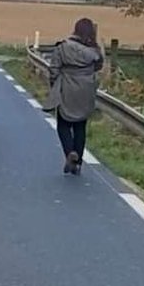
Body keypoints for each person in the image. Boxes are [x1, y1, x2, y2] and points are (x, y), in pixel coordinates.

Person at [44, 17, 104, 175]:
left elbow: (54, 68)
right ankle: (77, 163)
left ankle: (69, 151)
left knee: (63, 124)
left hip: (67, 87)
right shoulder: (93, 51)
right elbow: (99, 65)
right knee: (80, 126)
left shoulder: (63, 47)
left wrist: (55, 86)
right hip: (85, 90)